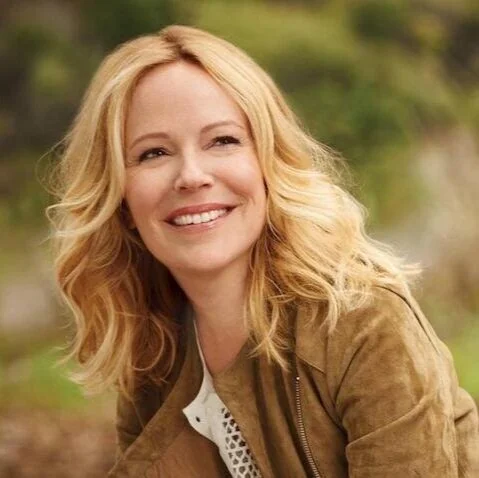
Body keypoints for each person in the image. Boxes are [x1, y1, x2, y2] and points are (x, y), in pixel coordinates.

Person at [48, 25, 479, 477]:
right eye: (153, 153)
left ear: (269, 163)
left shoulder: (362, 322)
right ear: (120, 197)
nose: (191, 176)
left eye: (223, 141)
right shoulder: (151, 353)